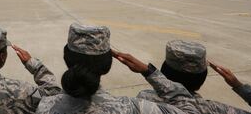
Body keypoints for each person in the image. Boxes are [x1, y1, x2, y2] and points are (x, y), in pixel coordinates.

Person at [36, 23, 199, 114]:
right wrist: (148, 71)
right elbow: (190, 109)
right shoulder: (134, 108)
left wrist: (36, 68)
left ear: (66, 59)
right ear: (107, 65)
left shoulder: (45, 107)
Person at [137, 40, 251, 114]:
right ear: (202, 78)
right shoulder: (215, 109)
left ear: (163, 72)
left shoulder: (144, 97)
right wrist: (239, 86)